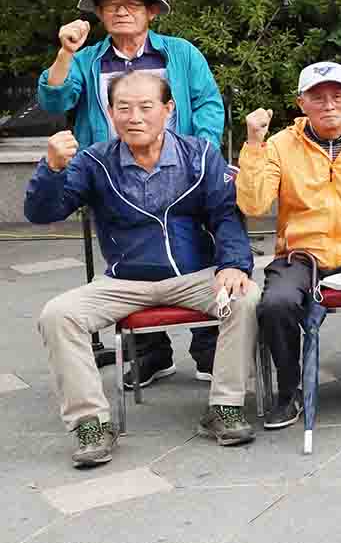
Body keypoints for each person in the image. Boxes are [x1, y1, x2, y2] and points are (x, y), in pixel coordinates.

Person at [27, 74, 258, 466]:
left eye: (146, 107)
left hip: (194, 276)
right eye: (123, 108)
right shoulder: (95, 161)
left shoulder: (200, 154)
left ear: (168, 110)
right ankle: (90, 424)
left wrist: (234, 264)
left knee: (245, 297)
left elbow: (225, 214)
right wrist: (51, 169)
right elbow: (42, 212)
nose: (134, 117)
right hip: (124, 281)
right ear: (110, 112)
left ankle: (225, 407)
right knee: (58, 315)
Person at [39, 0, 227, 387]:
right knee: (127, 258)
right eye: (111, 5)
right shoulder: (86, 59)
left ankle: (208, 346)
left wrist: (201, 156)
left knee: (199, 248)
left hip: (181, 171)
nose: (121, 11)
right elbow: (53, 99)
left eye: (131, 4)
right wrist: (66, 52)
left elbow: (208, 104)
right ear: (99, 13)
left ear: (151, 12)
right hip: (113, 176)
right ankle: (150, 352)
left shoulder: (180, 54)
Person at [238, 62, 341, 428]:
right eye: (317, 97)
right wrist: (253, 145)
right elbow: (253, 205)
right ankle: (290, 388)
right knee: (276, 304)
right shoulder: (279, 145)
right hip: (300, 255)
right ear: (301, 103)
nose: (328, 105)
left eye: (337, 96)